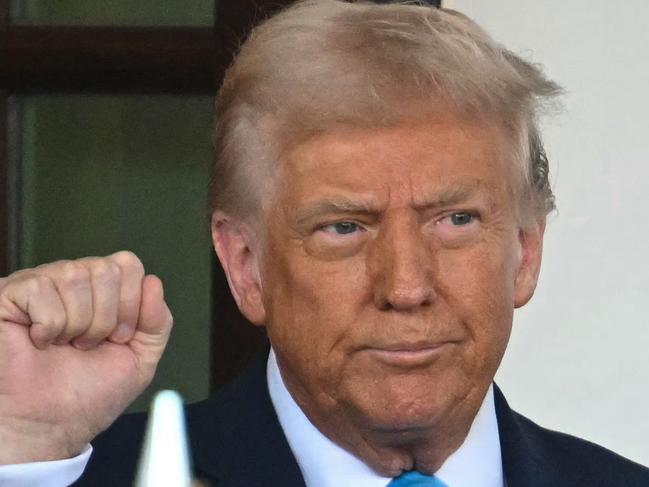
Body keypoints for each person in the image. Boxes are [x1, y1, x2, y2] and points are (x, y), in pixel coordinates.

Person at [0, 1, 648, 486]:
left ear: (525, 251)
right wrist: (25, 443)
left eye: (454, 220)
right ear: (245, 265)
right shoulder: (74, 475)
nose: (405, 286)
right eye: (344, 227)